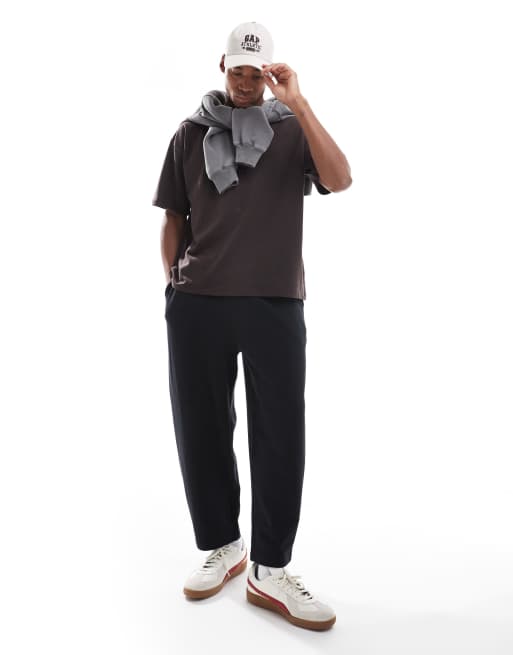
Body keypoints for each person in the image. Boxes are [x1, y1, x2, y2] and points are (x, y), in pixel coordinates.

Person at [152, 21, 351, 631]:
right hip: (198, 304)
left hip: (274, 302)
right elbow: (173, 217)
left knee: (281, 433)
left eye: (254, 72)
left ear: (268, 72)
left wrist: (299, 103)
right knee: (201, 428)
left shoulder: (290, 131)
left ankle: (271, 569)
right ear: (222, 66)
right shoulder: (190, 133)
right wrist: (174, 289)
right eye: (236, 69)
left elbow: (340, 179)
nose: (244, 81)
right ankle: (223, 545)